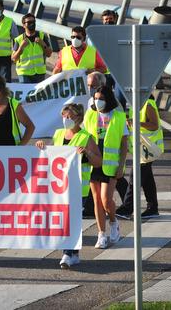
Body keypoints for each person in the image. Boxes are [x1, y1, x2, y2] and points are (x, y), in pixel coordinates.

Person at [35, 103, 101, 269]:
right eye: (64, 116)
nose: (66, 120)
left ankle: (67, 253)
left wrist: (87, 152)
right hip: (60, 187)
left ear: (78, 118)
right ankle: (75, 254)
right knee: (65, 220)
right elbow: (51, 155)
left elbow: (98, 162)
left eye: (70, 117)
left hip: (79, 188)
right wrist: (42, 146)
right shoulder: (58, 134)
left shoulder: (86, 137)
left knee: (70, 221)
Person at [83, 85, 128, 249]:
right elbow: (82, 136)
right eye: (95, 98)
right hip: (93, 161)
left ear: (108, 99)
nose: (97, 101)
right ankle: (101, 234)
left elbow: (124, 144)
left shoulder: (118, 116)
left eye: (101, 99)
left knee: (106, 200)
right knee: (96, 200)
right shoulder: (89, 115)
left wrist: (121, 165)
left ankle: (113, 222)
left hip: (110, 164)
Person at [117, 96, 163, 219]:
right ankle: (152, 208)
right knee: (147, 180)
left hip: (148, 149)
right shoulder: (136, 103)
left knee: (135, 178)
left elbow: (154, 125)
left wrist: (137, 122)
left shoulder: (147, 104)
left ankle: (127, 208)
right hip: (142, 149)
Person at [12, 13, 52, 83]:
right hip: (24, 74)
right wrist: (21, 47)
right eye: (29, 22)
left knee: (38, 94)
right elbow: (14, 59)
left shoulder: (41, 36)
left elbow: (49, 54)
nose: (32, 24)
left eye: (33, 22)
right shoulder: (19, 40)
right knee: (27, 94)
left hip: (39, 73)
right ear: (24, 25)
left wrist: (43, 44)